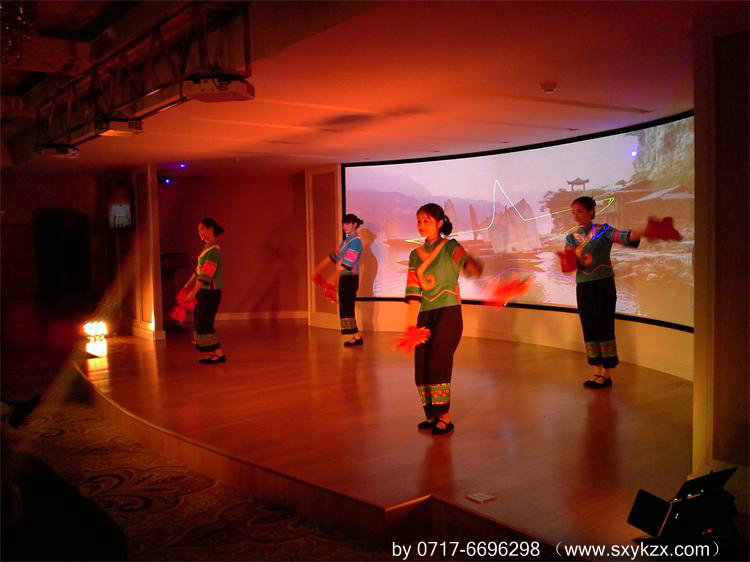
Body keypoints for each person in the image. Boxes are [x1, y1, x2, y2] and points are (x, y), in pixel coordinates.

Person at [402, 203, 482, 435]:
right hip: (425, 314)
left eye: (426, 221)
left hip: (448, 312)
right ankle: (431, 414)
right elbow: (413, 292)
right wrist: (410, 327)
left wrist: (472, 266)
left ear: (439, 223)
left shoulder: (450, 246)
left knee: (439, 362)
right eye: (419, 221)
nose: (421, 225)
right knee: (422, 365)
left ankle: (444, 417)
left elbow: (466, 263)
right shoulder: (414, 255)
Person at [561, 196, 646, 388]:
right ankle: (596, 370)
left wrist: (643, 231)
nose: (576, 216)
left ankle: (606, 373)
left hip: (603, 285)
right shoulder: (571, 238)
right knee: (589, 326)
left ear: (591, 211)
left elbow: (623, 237)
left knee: (604, 326)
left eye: (580, 211)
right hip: (583, 287)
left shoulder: (603, 230)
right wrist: (569, 261)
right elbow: (568, 264)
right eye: (573, 212)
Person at [179, 218, 226, 364]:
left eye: (202, 229)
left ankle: (219, 354)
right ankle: (213, 354)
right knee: (201, 323)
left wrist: (193, 292)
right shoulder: (207, 248)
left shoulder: (214, 251)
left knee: (205, 324)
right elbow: (198, 271)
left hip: (210, 293)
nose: (199, 232)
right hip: (204, 292)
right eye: (199, 230)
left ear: (210, 229)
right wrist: (188, 285)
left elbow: (206, 275)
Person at [313, 213, 365, 346]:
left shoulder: (356, 242)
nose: (344, 227)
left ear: (355, 224)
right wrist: (318, 268)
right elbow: (334, 256)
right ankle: (356, 336)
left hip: (350, 278)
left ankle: (357, 337)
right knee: (346, 307)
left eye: (347, 224)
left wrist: (332, 279)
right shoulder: (347, 241)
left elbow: (346, 265)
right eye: (343, 224)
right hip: (345, 278)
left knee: (348, 307)